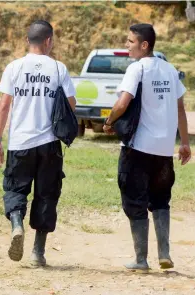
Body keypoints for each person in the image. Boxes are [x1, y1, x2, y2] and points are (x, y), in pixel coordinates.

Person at [103, 23, 191, 272]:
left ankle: (141, 259)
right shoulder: (170, 69)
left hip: (138, 148)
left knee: (135, 199)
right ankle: (164, 253)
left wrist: (109, 121)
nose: (127, 45)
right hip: (163, 152)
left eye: (130, 41)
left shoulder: (137, 68)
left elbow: (122, 103)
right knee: (161, 200)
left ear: (144, 45)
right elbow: (180, 109)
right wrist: (183, 143)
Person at [0, 20, 76, 266]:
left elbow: (4, 105)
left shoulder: (15, 67)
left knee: (15, 189)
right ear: (48, 41)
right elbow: (71, 104)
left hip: (20, 143)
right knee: (46, 195)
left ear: (27, 40)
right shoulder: (58, 68)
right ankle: (37, 253)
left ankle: (17, 226)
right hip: (50, 143)